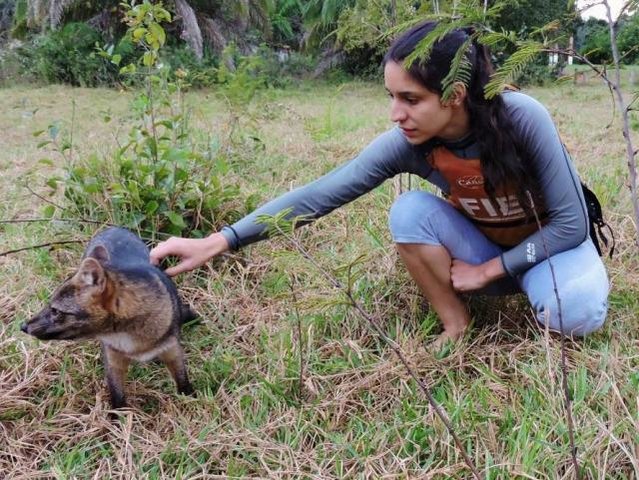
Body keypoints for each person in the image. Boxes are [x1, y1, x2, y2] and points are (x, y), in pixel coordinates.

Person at [150, 21, 609, 346]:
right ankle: (455, 324)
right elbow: (320, 194)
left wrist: (489, 271)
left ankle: (540, 290)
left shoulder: (523, 117)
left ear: (454, 95)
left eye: (411, 99)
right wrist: (220, 240)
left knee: (578, 311)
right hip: (485, 245)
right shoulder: (410, 142)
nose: (396, 114)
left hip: (551, 248)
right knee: (408, 210)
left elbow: (571, 225)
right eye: (391, 97)